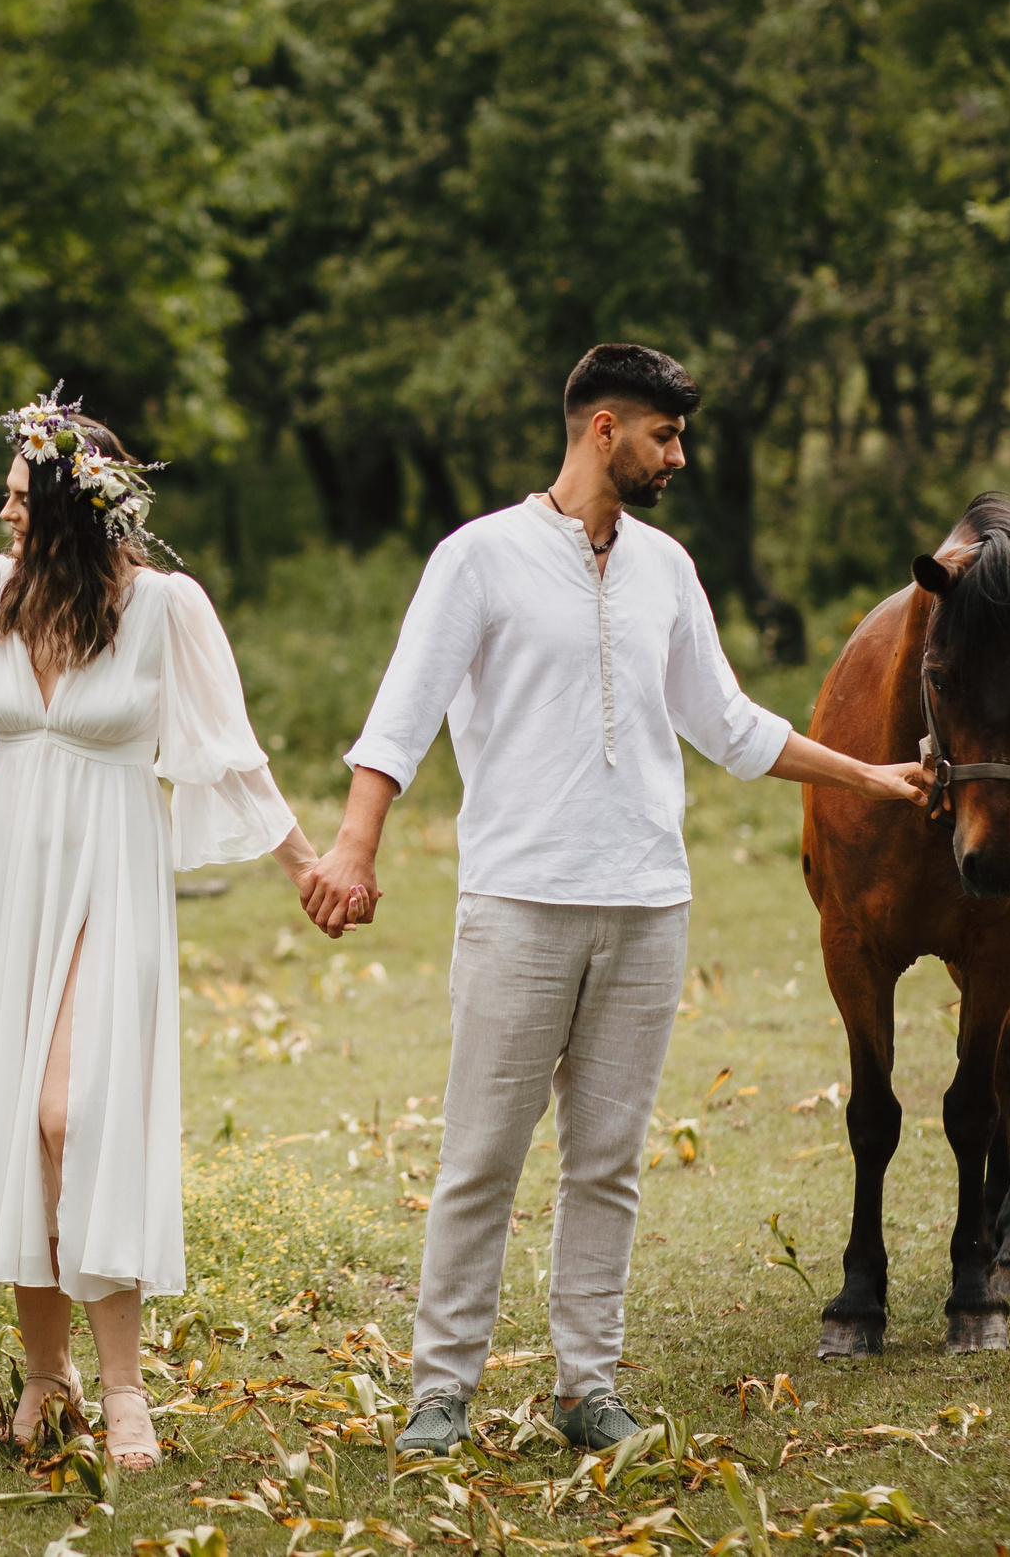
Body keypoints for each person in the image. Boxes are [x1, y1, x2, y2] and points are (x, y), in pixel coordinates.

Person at [297, 344, 929, 1456]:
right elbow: (401, 717)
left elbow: (726, 724)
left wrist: (868, 775)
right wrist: (353, 849)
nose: (677, 456)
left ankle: (587, 1389)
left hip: (647, 904)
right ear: (602, 428)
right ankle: (438, 1394)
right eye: (663, 435)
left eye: (681, 437)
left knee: (606, 1163)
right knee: (482, 1157)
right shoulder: (478, 558)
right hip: (520, 903)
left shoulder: (666, 569)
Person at [0, 392, 322, 1471]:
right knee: (17, 1131)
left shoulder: (165, 609)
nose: (1, 518)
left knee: (71, 1112)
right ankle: (48, 1376)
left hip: (109, 867)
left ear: (68, 508)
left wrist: (309, 863)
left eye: (15, 499)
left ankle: (127, 1391)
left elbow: (229, 748)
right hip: (6, 872)